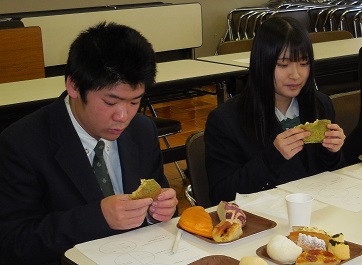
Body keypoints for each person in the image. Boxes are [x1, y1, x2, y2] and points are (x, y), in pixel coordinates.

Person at [0, 22, 178, 264]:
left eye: (135, 102)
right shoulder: (21, 144)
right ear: (74, 85)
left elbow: (158, 207)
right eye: (110, 102)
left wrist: (159, 212)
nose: (123, 117)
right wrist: (97, 217)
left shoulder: (142, 131)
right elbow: (14, 242)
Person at [204, 17, 346, 205]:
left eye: (303, 63)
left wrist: (332, 152)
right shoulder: (226, 120)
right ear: (263, 63)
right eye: (283, 64)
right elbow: (221, 195)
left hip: (316, 212)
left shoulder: (320, 104)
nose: (295, 75)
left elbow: (332, 178)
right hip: (264, 220)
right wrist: (272, 158)